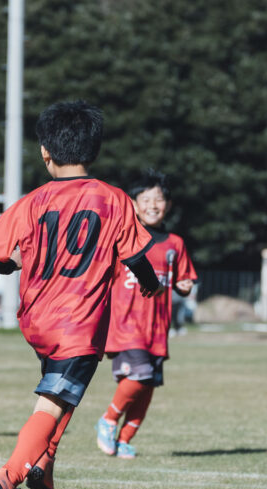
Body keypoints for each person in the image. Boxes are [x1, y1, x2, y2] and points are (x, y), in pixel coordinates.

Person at [0, 101, 164, 489]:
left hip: (37, 319)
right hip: (78, 321)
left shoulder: (33, 201)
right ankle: (9, 475)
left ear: (46, 152)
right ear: (94, 149)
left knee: (65, 394)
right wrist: (151, 283)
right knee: (55, 400)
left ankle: (44, 463)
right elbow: (136, 255)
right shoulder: (114, 199)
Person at [95, 170, 197, 459]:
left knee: (148, 385)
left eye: (159, 199)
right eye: (146, 199)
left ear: (168, 205)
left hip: (157, 329)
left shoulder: (175, 244)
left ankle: (124, 439)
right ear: (133, 203)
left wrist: (184, 287)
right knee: (139, 377)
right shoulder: (122, 239)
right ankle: (108, 420)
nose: (153, 205)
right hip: (126, 326)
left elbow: (183, 281)